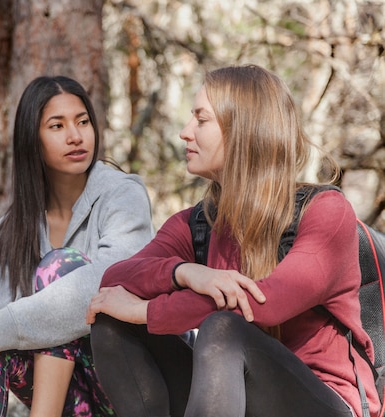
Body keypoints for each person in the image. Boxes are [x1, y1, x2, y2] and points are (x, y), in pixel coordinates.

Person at [87, 64, 381, 417]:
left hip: (324, 401)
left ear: (243, 129)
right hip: (229, 393)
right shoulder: (197, 222)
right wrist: (186, 273)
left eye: (201, 119)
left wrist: (146, 310)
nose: (185, 132)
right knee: (112, 324)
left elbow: (265, 304)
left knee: (224, 328)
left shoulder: (324, 212)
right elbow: (114, 281)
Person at [0, 75, 154, 417]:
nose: (75, 136)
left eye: (83, 121)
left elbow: (111, 279)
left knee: (61, 267)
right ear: (33, 140)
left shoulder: (122, 194)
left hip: (132, 384)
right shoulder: (16, 226)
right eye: (57, 126)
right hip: (76, 401)